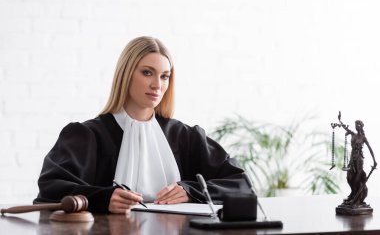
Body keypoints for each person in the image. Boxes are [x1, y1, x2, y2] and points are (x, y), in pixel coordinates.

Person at [34, 36, 250, 213]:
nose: (157, 85)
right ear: (126, 75)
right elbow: (51, 188)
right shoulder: (86, 135)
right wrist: (104, 198)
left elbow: (242, 184)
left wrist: (191, 191)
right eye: (147, 72)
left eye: (164, 76)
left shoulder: (185, 137)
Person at [339, 119, 377, 206]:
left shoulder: (363, 138)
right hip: (352, 159)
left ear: (361, 126)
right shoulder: (353, 134)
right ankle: (352, 194)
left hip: (359, 160)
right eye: (355, 125)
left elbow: (370, 149)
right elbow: (346, 128)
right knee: (349, 178)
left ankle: (357, 199)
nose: (356, 126)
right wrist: (340, 121)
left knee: (357, 180)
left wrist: (374, 160)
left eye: (358, 125)